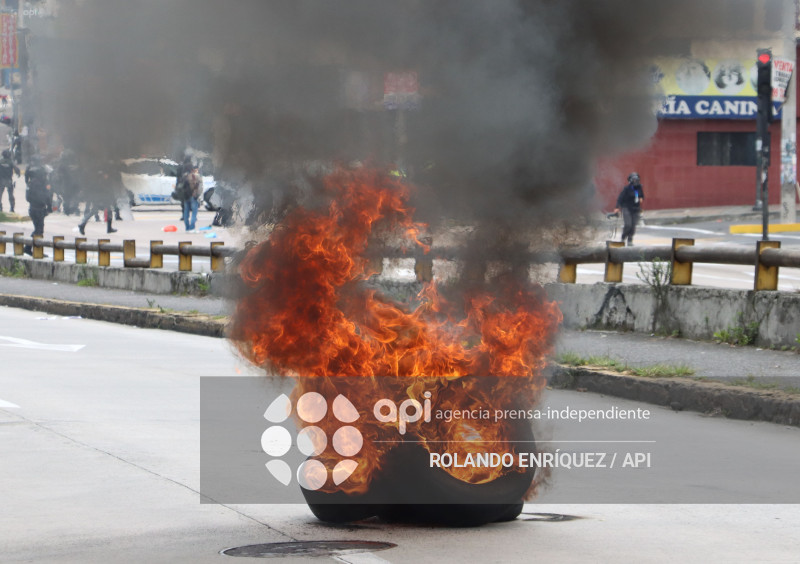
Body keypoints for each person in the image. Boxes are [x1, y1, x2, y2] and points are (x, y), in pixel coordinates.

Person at [23, 155, 51, 256]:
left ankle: (27, 248)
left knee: (37, 229)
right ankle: (37, 251)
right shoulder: (41, 185)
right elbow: (46, 197)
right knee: (39, 230)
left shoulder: (30, 184)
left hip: (32, 208)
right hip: (39, 209)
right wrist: (50, 207)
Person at [614, 172, 645, 246]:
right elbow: (620, 198)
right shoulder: (627, 189)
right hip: (626, 208)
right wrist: (617, 207)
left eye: (636, 180)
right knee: (628, 225)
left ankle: (630, 239)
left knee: (633, 225)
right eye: (634, 180)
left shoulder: (639, 188)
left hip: (636, 209)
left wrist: (641, 198)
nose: (635, 181)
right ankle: (623, 237)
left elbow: (642, 196)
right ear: (630, 180)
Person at [182, 165, 203, 233]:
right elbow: (200, 187)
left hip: (186, 196)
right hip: (193, 196)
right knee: (194, 212)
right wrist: (198, 195)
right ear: (193, 169)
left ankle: (187, 228)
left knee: (186, 212)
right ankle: (192, 228)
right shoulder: (196, 176)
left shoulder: (184, 176)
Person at [0, 148, 20, 213]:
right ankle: (12, 208)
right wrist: (18, 173)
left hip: (1, 181)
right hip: (9, 180)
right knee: (10, 195)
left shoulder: (0, 160)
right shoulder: (10, 161)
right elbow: (16, 169)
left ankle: (0, 208)